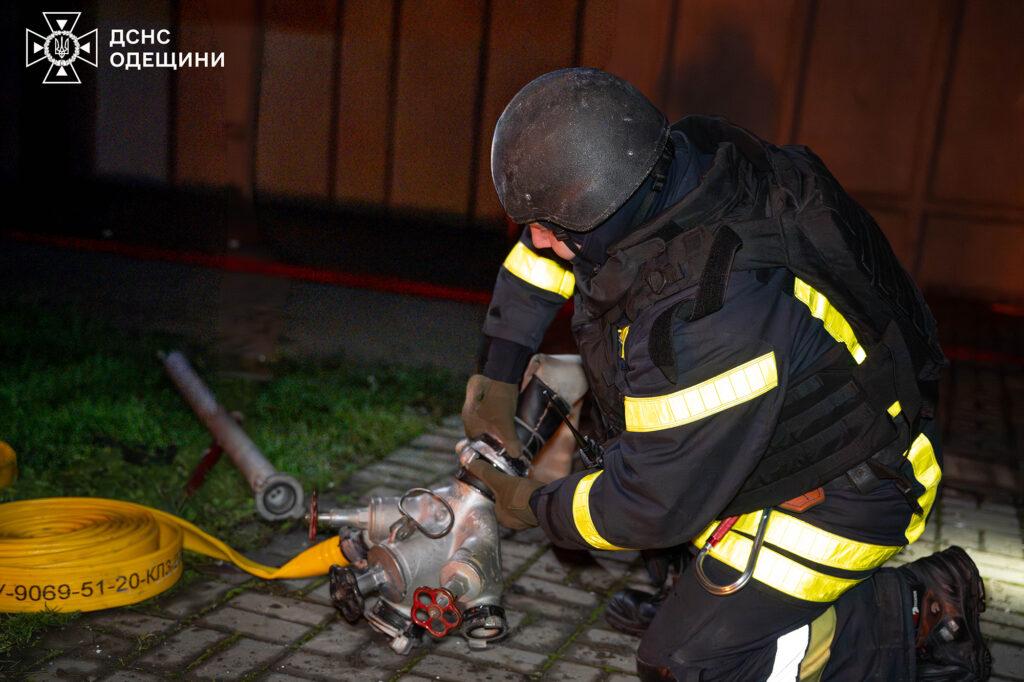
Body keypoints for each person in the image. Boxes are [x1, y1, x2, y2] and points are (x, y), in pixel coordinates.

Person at [461, 68, 991, 681]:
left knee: (688, 663)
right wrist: (494, 378)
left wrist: (534, 505)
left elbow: (649, 503)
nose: (536, 240)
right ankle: (699, 583)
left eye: (550, 228)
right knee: (633, 452)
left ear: (604, 205)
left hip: (849, 489)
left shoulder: (710, 308)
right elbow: (539, 259)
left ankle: (916, 612)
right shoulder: (677, 167)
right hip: (771, 433)